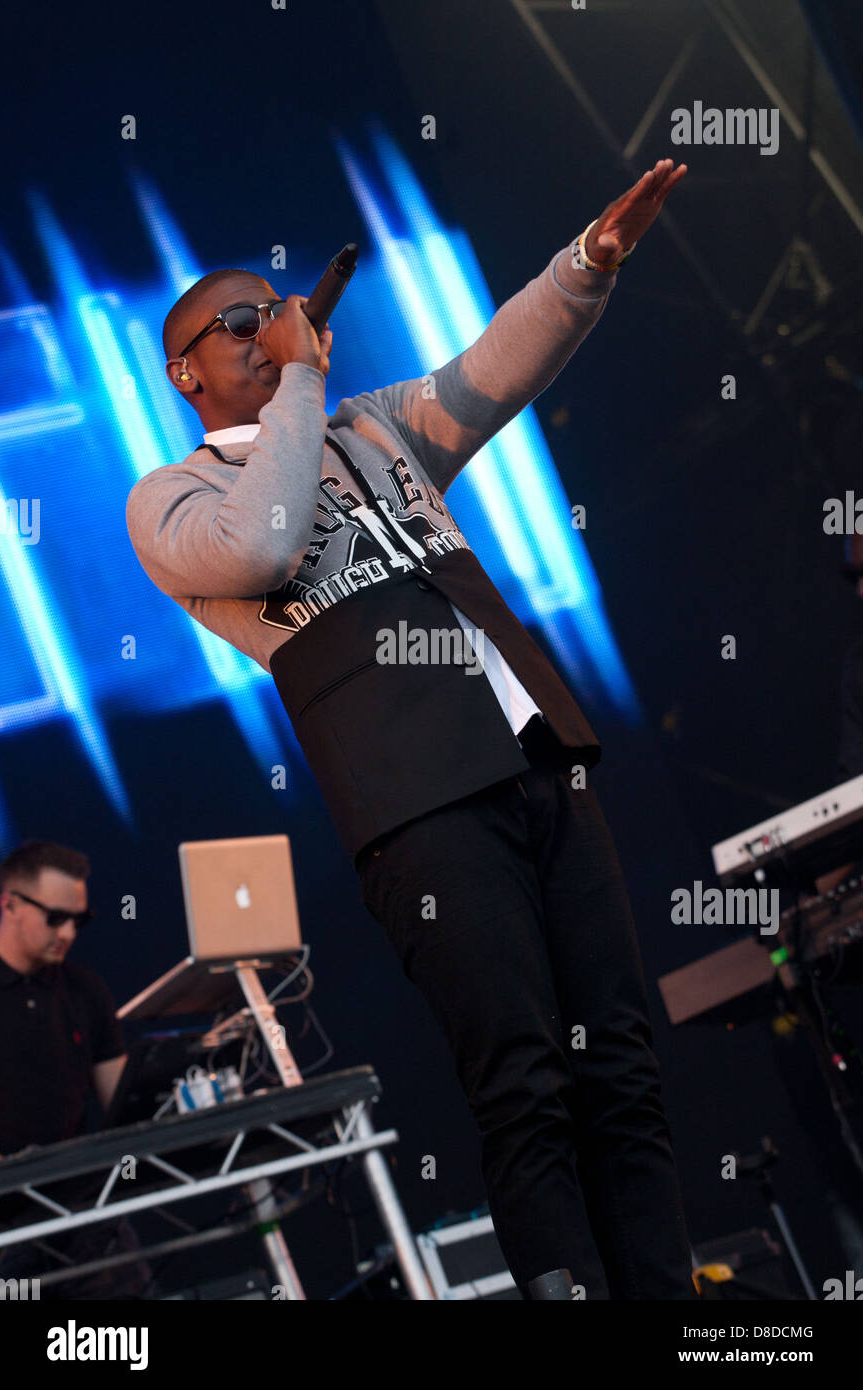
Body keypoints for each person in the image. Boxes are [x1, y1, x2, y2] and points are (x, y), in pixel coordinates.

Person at [127, 158, 698, 1299]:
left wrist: (587, 261)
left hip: (533, 747)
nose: (274, 328)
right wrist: (295, 390)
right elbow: (263, 548)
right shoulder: (170, 498)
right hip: (418, 802)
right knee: (524, 1083)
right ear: (186, 367)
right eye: (243, 323)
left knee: (622, 1066)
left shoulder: (374, 430)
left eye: (278, 311)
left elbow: (487, 371)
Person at [0, 840, 146, 1298]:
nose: (67, 933)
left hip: (85, 1216)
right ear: (10, 904)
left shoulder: (85, 990)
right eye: (55, 918)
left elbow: (124, 1103)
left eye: (78, 921)